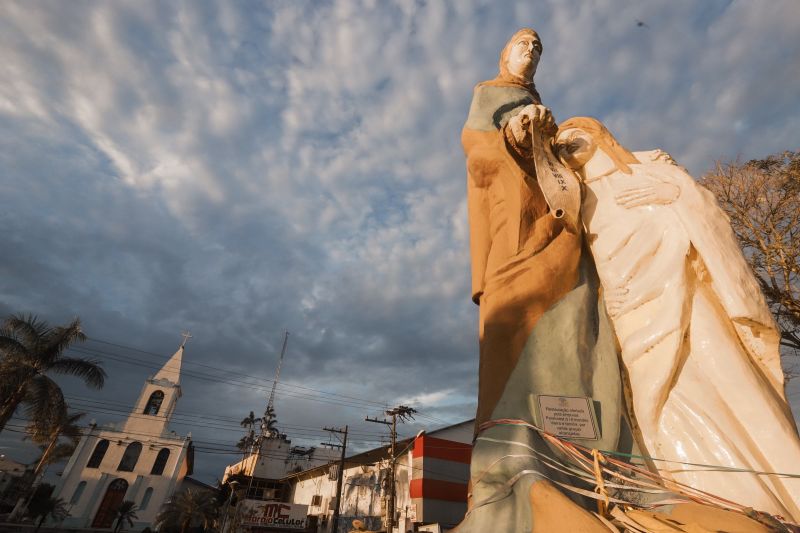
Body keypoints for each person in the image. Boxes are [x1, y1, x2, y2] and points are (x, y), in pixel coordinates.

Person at [555, 116, 800, 521]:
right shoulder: (579, 204)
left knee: (728, 375)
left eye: (574, 135)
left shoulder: (648, 169)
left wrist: (675, 193)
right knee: (665, 402)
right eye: (559, 144)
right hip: (632, 316)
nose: (566, 144)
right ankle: (703, 493)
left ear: (599, 134)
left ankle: (779, 492)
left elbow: (706, 213)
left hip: (686, 297)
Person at [459, 30, 634, 532]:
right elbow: (477, 152)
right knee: (511, 322)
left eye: (538, 47)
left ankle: (597, 460)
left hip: (556, 223)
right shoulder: (488, 95)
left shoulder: (540, 105)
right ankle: (511, 469)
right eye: (523, 45)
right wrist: (515, 131)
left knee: (582, 322)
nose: (531, 51)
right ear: (504, 54)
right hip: (515, 231)